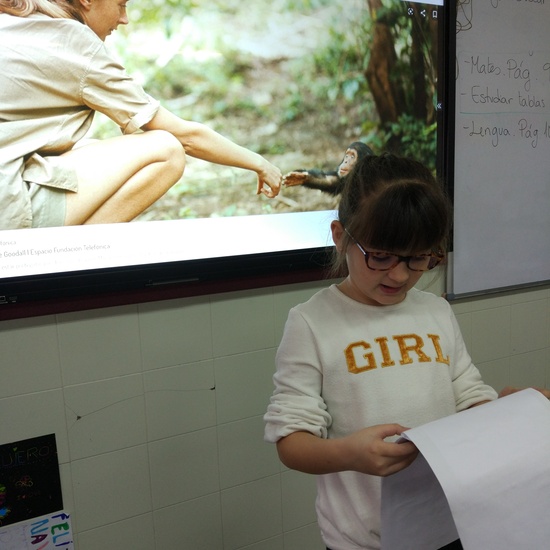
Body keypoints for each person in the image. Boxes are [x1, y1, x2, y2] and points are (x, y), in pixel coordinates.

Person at [264, 153, 499, 550]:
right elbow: (291, 442)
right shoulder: (312, 323)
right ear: (341, 236)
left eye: (418, 257)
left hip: (450, 522)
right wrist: (348, 454)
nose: (401, 275)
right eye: (382, 256)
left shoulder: (435, 310)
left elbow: (470, 397)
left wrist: (509, 412)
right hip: (364, 540)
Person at [0, 0, 282, 230]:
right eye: (121, 5)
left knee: (90, 148)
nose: (125, 19)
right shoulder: (73, 42)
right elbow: (185, 137)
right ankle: (64, 261)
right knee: (166, 150)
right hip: (8, 209)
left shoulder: (16, 19)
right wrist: (258, 163)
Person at [282, 141, 373, 195]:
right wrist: (307, 178)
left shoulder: (374, 183)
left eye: (352, 157)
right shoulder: (347, 179)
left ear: (363, 162)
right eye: (346, 156)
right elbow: (329, 181)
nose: (345, 161)